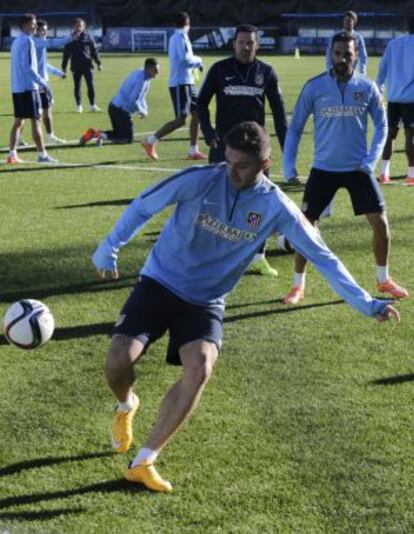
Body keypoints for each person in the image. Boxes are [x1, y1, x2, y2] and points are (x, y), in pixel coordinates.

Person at [92, 121, 399, 494]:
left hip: (205, 300)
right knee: (119, 359)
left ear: (264, 165)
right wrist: (109, 246)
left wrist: (367, 303)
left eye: (242, 166)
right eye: (229, 161)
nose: (231, 171)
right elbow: (144, 205)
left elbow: (323, 256)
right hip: (161, 281)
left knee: (201, 365)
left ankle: (143, 460)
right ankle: (126, 405)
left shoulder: (275, 206)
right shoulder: (201, 179)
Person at [283, 31, 408, 306]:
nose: (342, 58)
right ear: (331, 54)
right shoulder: (314, 87)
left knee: (381, 224)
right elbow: (295, 128)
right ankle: (297, 285)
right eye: (337, 53)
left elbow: (383, 126)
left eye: (347, 54)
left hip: (358, 169)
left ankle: (383, 278)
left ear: (356, 55)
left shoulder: (367, 87)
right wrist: (288, 166)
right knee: (306, 227)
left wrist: (370, 161)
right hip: (323, 168)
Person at [197, 23, 288, 276]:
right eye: (242, 42)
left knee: (259, 203)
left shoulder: (267, 73)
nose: (246, 47)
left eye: (251, 42)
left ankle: (258, 256)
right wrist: (208, 133)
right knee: (216, 202)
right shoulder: (219, 70)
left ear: (257, 44)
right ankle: (213, 252)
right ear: (234, 43)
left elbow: (279, 114)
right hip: (223, 149)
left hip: (255, 152)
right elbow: (201, 104)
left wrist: (286, 149)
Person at [141, 12, 206, 161]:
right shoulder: (180, 37)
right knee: (181, 120)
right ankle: (149, 141)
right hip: (179, 83)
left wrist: (196, 64)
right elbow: (185, 59)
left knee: (197, 114)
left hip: (188, 82)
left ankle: (193, 150)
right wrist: (199, 61)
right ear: (187, 23)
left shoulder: (181, 37)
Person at [7, 13, 57, 164]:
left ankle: (12, 154)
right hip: (29, 88)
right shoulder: (28, 41)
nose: (35, 26)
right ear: (24, 26)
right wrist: (43, 82)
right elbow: (28, 67)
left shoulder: (16, 42)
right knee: (36, 121)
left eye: (35, 24)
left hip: (17, 87)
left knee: (18, 121)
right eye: (32, 24)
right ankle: (42, 155)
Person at [79, 58, 160, 146]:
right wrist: (142, 112)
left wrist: (145, 109)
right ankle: (98, 135)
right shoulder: (141, 81)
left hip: (114, 107)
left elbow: (141, 97)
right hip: (121, 111)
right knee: (127, 139)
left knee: (119, 134)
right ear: (148, 69)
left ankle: (96, 134)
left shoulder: (142, 74)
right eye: (155, 70)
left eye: (158, 69)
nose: (157, 72)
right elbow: (134, 100)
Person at [376, 15, 414, 185]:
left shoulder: (393, 44)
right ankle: (411, 174)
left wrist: (379, 91)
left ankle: (384, 173)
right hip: (411, 99)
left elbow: (382, 70)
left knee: (390, 135)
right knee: (410, 136)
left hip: (394, 97)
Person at [34, 19, 67, 144]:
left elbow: (44, 64)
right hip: (39, 84)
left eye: (46, 30)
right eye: (43, 30)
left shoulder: (38, 44)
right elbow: (53, 43)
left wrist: (58, 72)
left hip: (39, 82)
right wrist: (70, 38)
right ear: (36, 30)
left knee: (32, 113)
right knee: (43, 112)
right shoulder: (37, 42)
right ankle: (50, 137)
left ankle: (50, 137)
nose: (45, 33)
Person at [62, 18, 102, 113]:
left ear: (84, 27)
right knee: (77, 87)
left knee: (90, 86)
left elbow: (94, 51)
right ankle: (79, 106)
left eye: (81, 26)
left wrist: (98, 63)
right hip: (76, 67)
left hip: (88, 66)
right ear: (74, 27)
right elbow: (66, 55)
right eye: (77, 26)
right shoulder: (70, 39)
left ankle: (93, 106)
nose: (79, 27)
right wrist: (64, 68)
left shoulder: (88, 37)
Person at [326, 11, 367, 76]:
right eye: (345, 20)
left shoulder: (358, 38)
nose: (346, 22)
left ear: (354, 22)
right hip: (337, 72)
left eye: (349, 20)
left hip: (352, 73)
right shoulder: (336, 36)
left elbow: (363, 57)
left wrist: (362, 73)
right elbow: (329, 54)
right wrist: (329, 70)